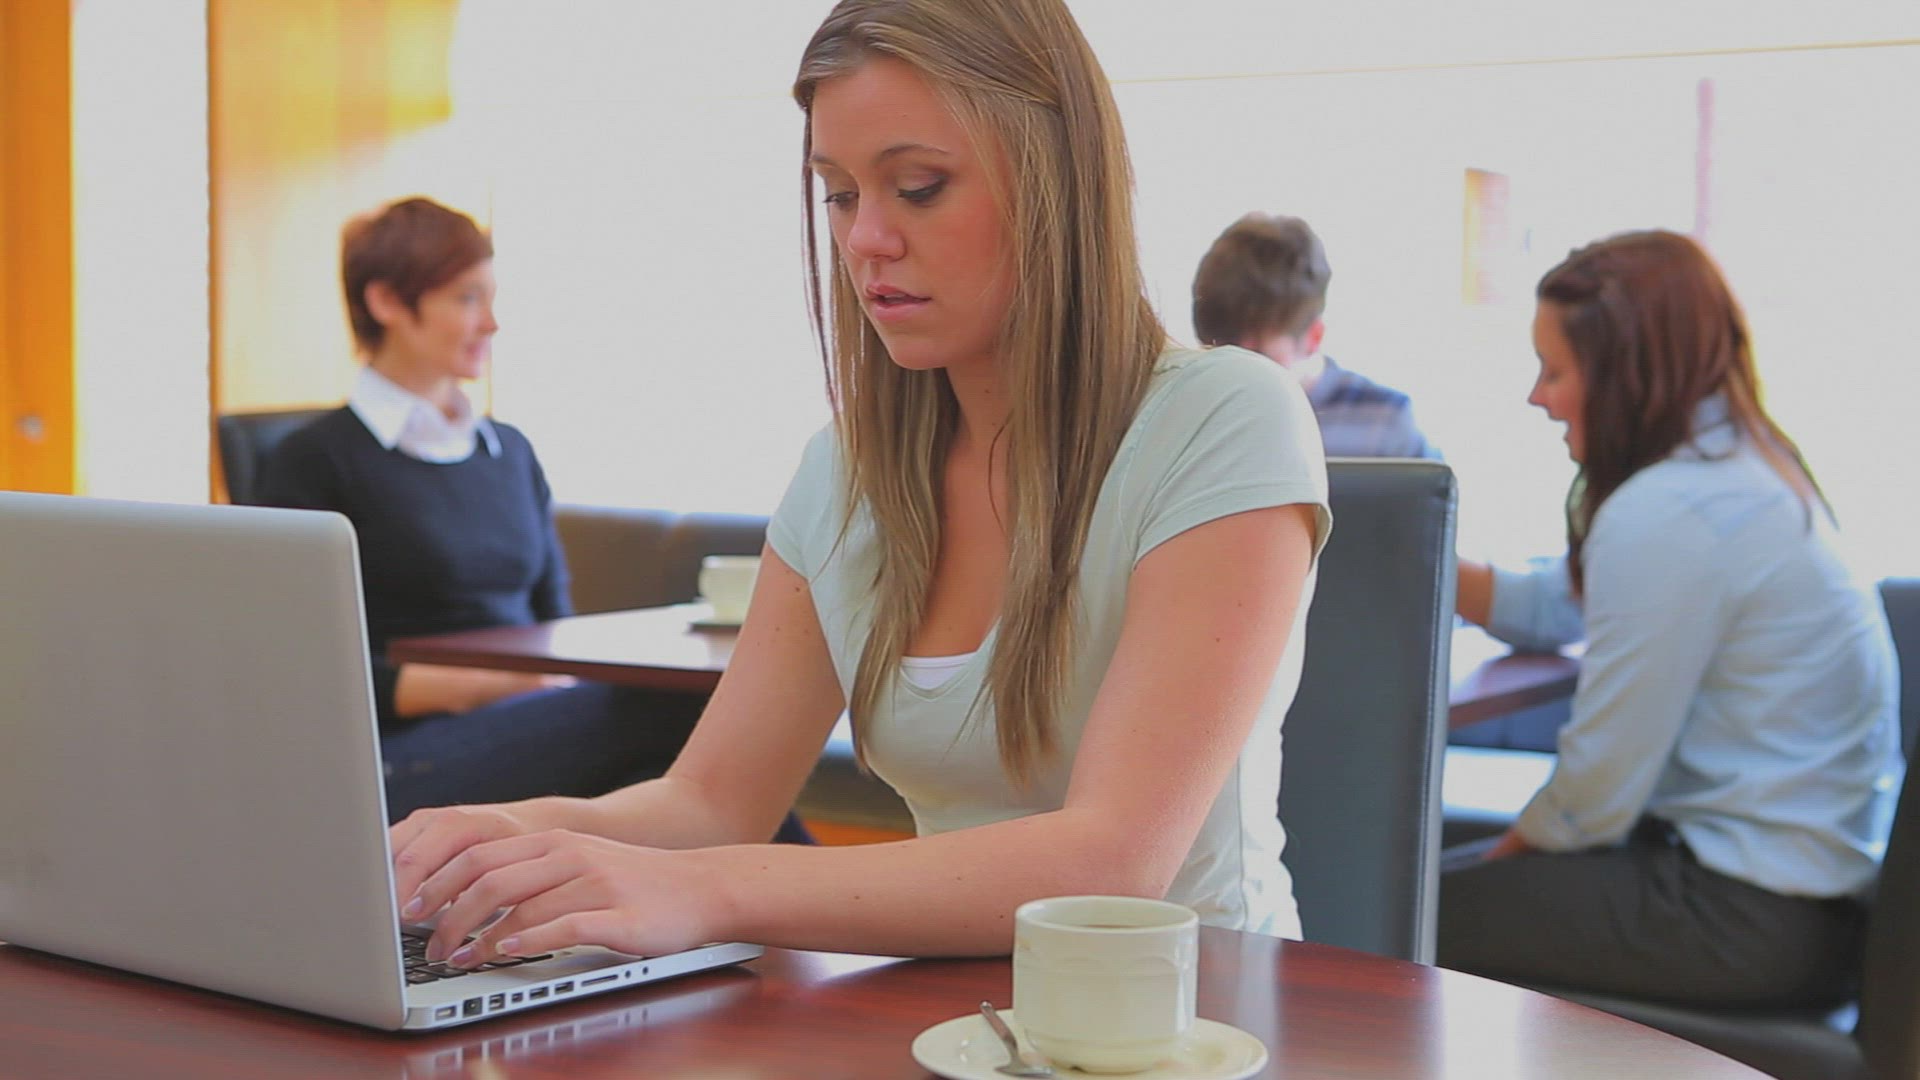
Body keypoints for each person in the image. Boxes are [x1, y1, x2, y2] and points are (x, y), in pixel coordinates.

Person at [386, 0, 1330, 969]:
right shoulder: (844, 473)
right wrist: (510, 837)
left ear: (1055, 177)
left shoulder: (1224, 419)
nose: (866, 238)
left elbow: (1112, 863)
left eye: (918, 188)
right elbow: (712, 802)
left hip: (1200, 1016)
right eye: (838, 194)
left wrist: (706, 890)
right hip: (952, 1014)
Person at [1440, 229, 1898, 1006]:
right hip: (1804, 911)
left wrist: (1486, 868)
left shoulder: (1672, 511)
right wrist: (1407, 549)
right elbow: (1557, 604)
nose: (1536, 397)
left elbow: (1593, 797)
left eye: (1555, 370)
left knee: (1388, 908)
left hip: (1746, 919)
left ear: (1624, 373)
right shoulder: (1739, 472)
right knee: (1424, 878)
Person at [256, 197, 765, 833]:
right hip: (396, 754)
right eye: (467, 299)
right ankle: (810, 886)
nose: (491, 323)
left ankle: (793, 889)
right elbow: (298, 668)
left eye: (492, 299)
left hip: (525, 723)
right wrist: (488, 686)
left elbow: (553, 619)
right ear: (386, 301)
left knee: (669, 772)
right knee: (674, 717)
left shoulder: (510, 451)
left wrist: (538, 688)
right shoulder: (312, 461)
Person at [1192, 212, 1441, 459]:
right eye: (1217, 352)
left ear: (1313, 338)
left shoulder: (1386, 422)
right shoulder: (1190, 411)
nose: (1233, 375)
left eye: (1255, 357)